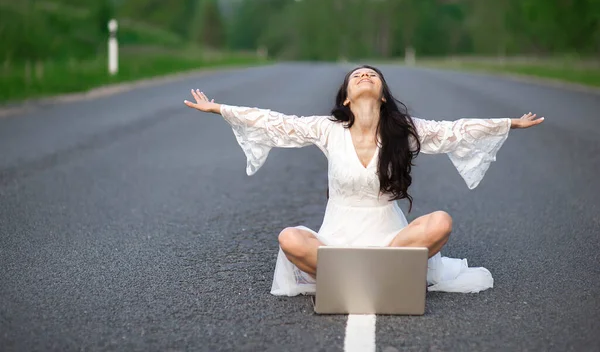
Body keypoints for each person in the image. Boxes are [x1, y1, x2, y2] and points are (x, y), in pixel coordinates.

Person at [184, 65, 544, 296]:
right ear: (346, 96)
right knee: (289, 239)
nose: (365, 76)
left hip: (391, 238)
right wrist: (218, 108)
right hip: (336, 240)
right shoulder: (328, 129)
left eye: (372, 74)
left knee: (441, 223)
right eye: (357, 75)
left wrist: (509, 124)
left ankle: (356, 279)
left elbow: (456, 131)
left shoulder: (405, 131)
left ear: (383, 94)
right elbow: (273, 121)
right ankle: (379, 279)